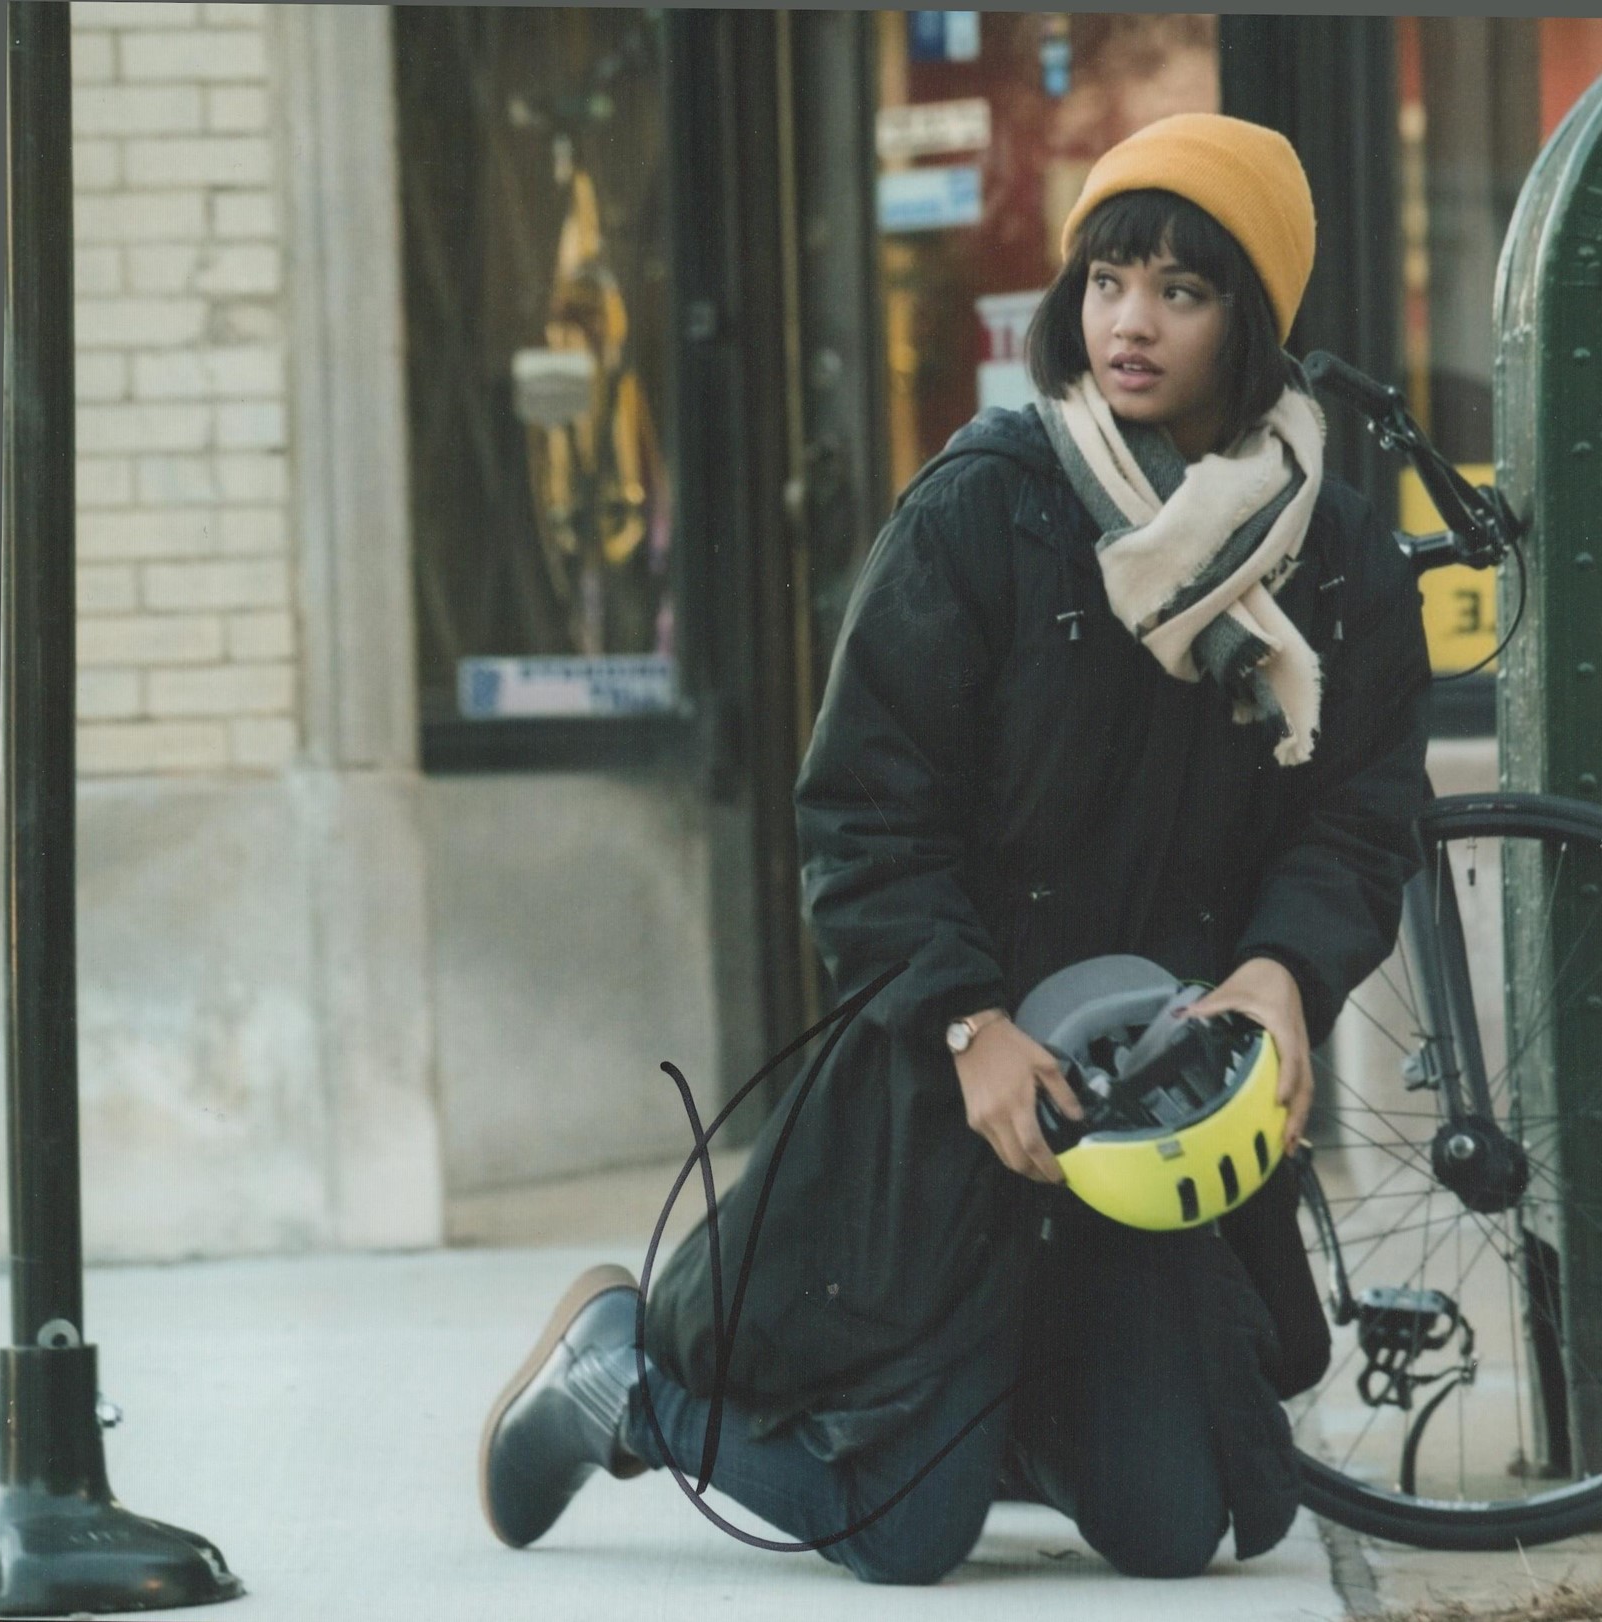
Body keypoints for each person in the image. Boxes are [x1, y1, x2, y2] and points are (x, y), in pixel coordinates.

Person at [479, 112, 1432, 1584]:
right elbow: (864, 809)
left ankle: (1011, 1413)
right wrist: (967, 1019)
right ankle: (626, 1376)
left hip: (1154, 1103)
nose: (1131, 321)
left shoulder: (1342, 555)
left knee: (1185, 1525)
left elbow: (1362, 810)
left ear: (1254, 316)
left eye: (1183, 290)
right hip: (954, 1098)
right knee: (901, 1537)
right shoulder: (991, 504)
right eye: (1110, 277)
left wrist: (1282, 971)